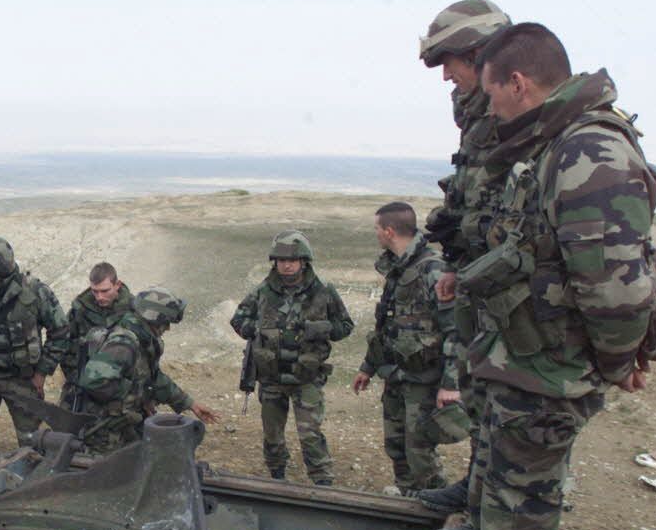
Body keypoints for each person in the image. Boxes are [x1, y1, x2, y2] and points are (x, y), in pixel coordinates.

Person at [430, 23, 656, 530]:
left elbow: (617, 290)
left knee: (521, 519)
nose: (491, 112)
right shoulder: (565, 143)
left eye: (495, 96)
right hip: (533, 364)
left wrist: (617, 363)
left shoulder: (588, 151)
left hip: (549, 374)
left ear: (519, 84)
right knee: (508, 507)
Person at [416, 0, 512, 515]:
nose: (446, 76)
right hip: (482, 281)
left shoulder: (524, 117)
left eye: (449, 63)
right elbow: (472, 193)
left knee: (514, 413)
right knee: (482, 395)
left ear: (477, 53)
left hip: (518, 290)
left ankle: (496, 521)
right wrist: (455, 259)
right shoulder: (479, 118)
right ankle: (477, 490)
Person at [352, 202, 459, 494]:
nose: (375, 234)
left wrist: (451, 384)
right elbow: (387, 326)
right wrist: (368, 367)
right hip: (397, 376)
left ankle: (437, 506)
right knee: (396, 445)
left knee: (420, 451)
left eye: (376, 229)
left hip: (424, 380)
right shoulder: (398, 269)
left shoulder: (433, 269)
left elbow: (457, 331)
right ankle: (408, 498)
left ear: (388, 231)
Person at [231, 231, 353, 484]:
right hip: (271, 377)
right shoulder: (263, 291)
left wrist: (320, 329)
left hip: (306, 377)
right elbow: (239, 319)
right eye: (281, 260)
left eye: (293, 260)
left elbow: (345, 326)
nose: (286, 265)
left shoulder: (323, 291)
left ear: (304, 261)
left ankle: (322, 482)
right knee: (272, 434)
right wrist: (258, 331)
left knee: (310, 434)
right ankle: (277, 476)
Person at [0, 238, 70, 458]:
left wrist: (41, 372)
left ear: (1, 270)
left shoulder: (34, 292)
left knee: (30, 441)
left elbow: (60, 332)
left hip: (21, 379)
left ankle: (31, 483)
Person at [77, 287, 217, 453]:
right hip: (105, 432)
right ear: (154, 318)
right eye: (165, 323)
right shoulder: (124, 343)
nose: (167, 328)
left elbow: (153, 378)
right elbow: (94, 381)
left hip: (125, 425)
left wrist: (190, 404)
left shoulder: (144, 341)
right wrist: (137, 396)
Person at [60, 262, 133, 408]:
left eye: (105, 291)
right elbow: (64, 345)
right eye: (95, 291)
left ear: (117, 285)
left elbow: (145, 353)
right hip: (83, 382)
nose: (99, 297)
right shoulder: (80, 309)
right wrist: (78, 378)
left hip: (122, 385)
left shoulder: (133, 309)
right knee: (67, 421)